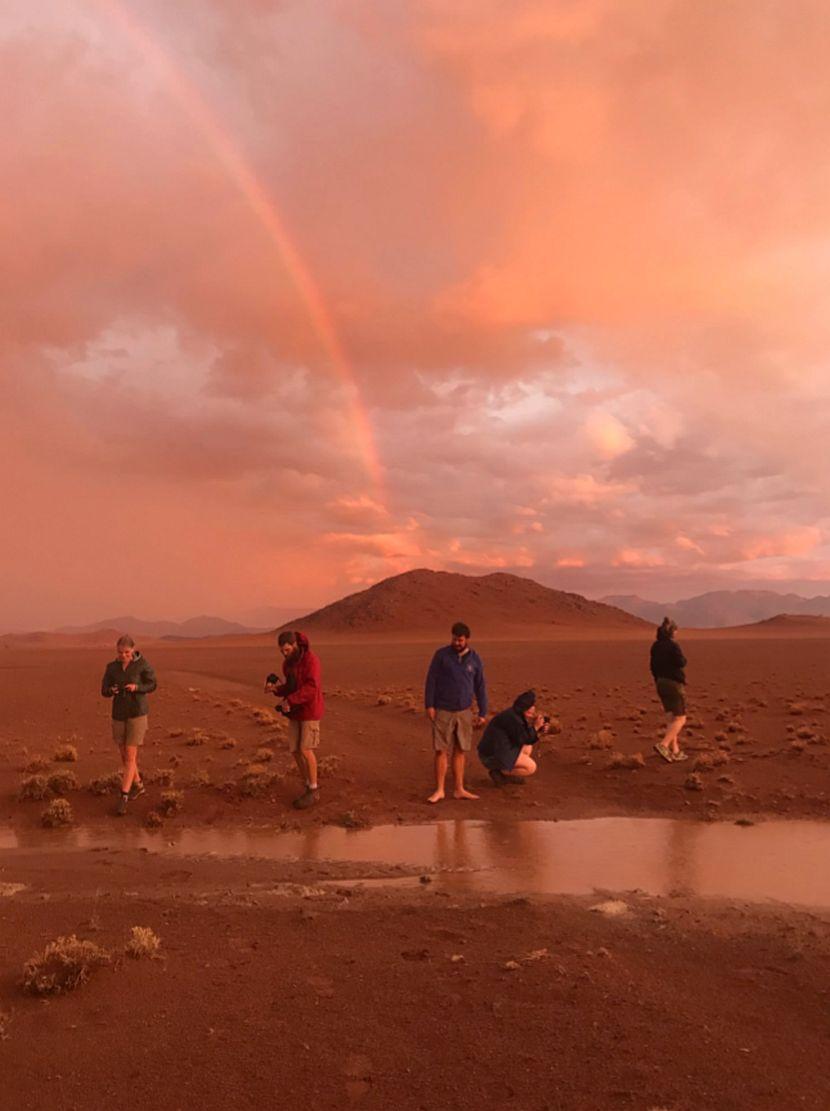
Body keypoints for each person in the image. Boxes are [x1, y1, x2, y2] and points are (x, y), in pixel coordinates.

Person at [424, 621, 488, 803]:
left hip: (464, 711)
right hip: (442, 709)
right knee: (440, 750)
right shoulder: (441, 655)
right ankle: (440, 790)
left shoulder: (475, 659)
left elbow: (480, 686)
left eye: (460, 640)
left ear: (467, 639)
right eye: (454, 639)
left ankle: (459, 789)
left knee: (460, 750)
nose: (456, 642)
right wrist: (429, 705)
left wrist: (483, 712)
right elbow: (431, 680)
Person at [265, 630, 324, 809]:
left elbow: (311, 688)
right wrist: (276, 690)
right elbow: (291, 686)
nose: (285, 654)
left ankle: (314, 790)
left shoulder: (311, 660)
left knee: (306, 749)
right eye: (282, 651)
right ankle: (307, 783)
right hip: (295, 712)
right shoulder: (288, 664)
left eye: (287, 650)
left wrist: (290, 700)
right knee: (295, 750)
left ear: (295, 645)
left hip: (310, 710)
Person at [100, 634, 157, 816]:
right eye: (120, 653)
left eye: (126, 652)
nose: (123, 656)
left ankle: (124, 796)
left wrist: (137, 688)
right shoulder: (112, 668)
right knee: (124, 756)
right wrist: (111, 690)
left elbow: (152, 684)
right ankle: (138, 785)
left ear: (133, 650)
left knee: (131, 756)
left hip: (136, 714)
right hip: (119, 714)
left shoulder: (142, 664)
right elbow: (104, 690)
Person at [478, 689, 549, 786]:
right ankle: (501, 773)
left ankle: (503, 770)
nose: (533, 709)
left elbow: (523, 736)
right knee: (531, 767)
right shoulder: (513, 719)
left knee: (528, 747)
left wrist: (538, 729)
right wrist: (536, 727)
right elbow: (524, 738)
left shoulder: (513, 714)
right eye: (530, 707)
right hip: (492, 756)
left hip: (493, 751)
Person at [650, 617, 688, 763]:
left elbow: (652, 666)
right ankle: (663, 745)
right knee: (681, 719)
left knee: (671, 717)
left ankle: (675, 750)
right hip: (673, 683)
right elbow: (681, 662)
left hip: (660, 682)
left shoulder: (655, 646)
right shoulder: (673, 646)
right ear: (672, 631)